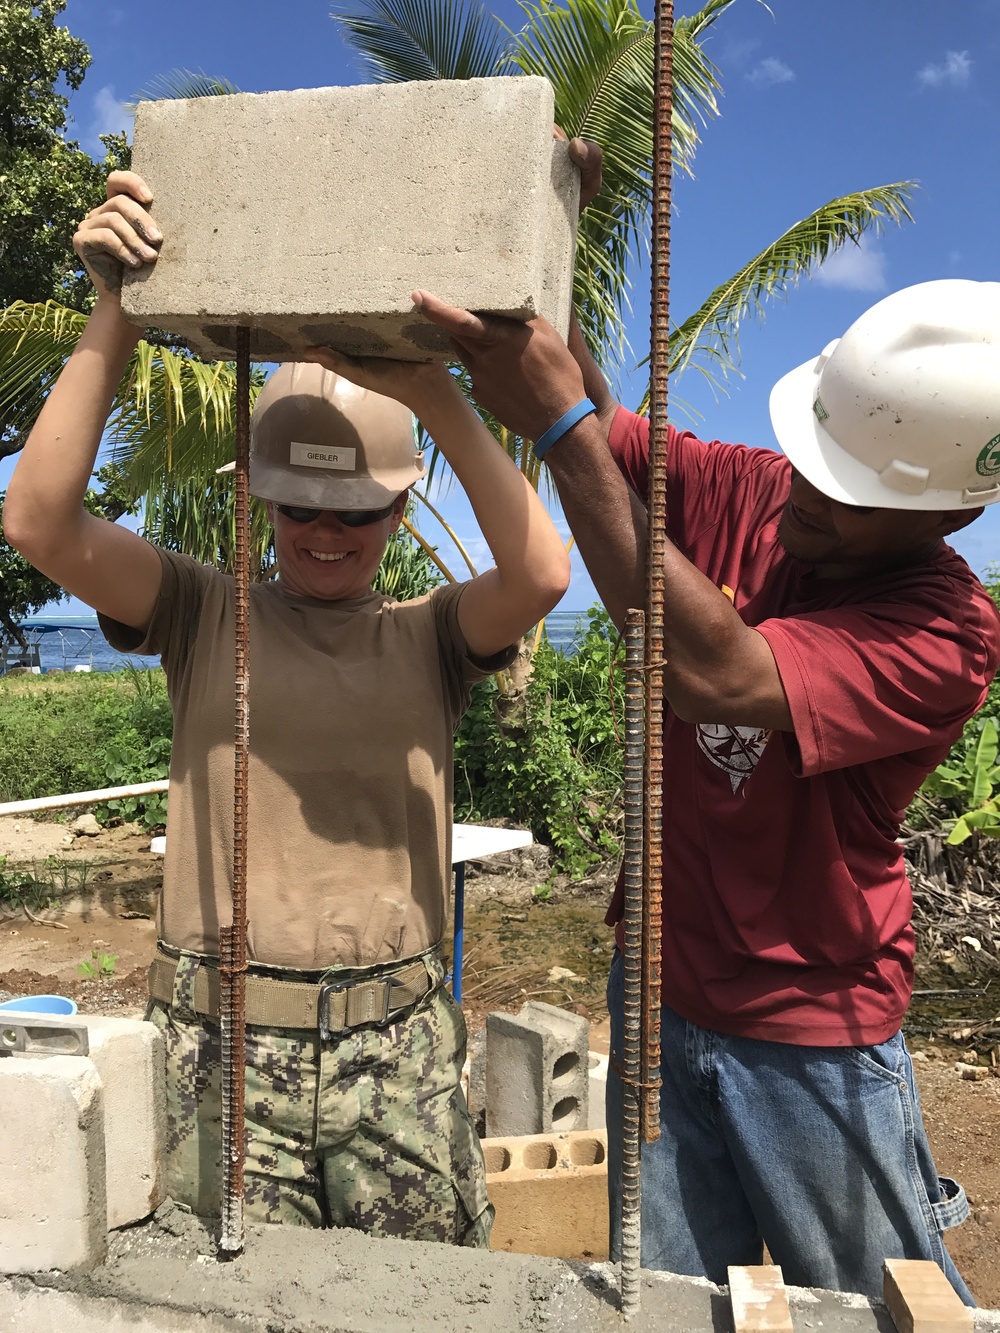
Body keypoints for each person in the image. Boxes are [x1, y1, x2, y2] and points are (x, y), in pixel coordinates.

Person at [406, 142, 1000, 1301]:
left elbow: (717, 675)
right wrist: (546, 240)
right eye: (814, 463)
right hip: (662, 988)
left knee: (878, 1305)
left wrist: (566, 429)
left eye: (852, 491)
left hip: (812, 1028)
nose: (810, 499)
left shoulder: (945, 627)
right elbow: (599, 419)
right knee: (674, 1297)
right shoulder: (760, 487)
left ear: (951, 511)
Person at [2, 170, 571, 1242]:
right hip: (219, 1045)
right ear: (258, 498)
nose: (324, 530)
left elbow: (540, 572)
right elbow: (36, 518)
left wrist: (429, 389)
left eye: (355, 511)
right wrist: (116, 309)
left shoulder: (431, 634)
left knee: (423, 1313)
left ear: (398, 511)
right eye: (298, 505)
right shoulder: (202, 609)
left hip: (392, 1051)